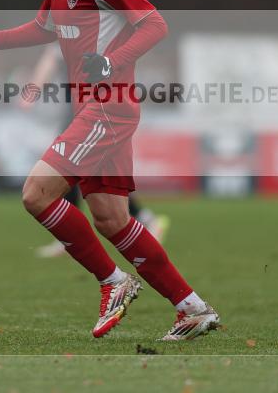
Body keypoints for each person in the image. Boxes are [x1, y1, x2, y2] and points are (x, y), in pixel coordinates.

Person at [0, 0, 218, 340]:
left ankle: (114, 282)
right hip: (94, 109)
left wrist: (111, 62)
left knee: (36, 194)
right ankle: (193, 309)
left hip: (108, 108)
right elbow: (43, 27)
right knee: (112, 220)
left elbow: (154, 23)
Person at [20, 45, 170, 259]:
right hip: (83, 111)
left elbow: (50, 60)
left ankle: (142, 219)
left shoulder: (76, 27)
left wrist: (31, 93)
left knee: (80, 172)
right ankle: (70, 236)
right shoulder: (81, 27)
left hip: (89, 113)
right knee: (84, 174)